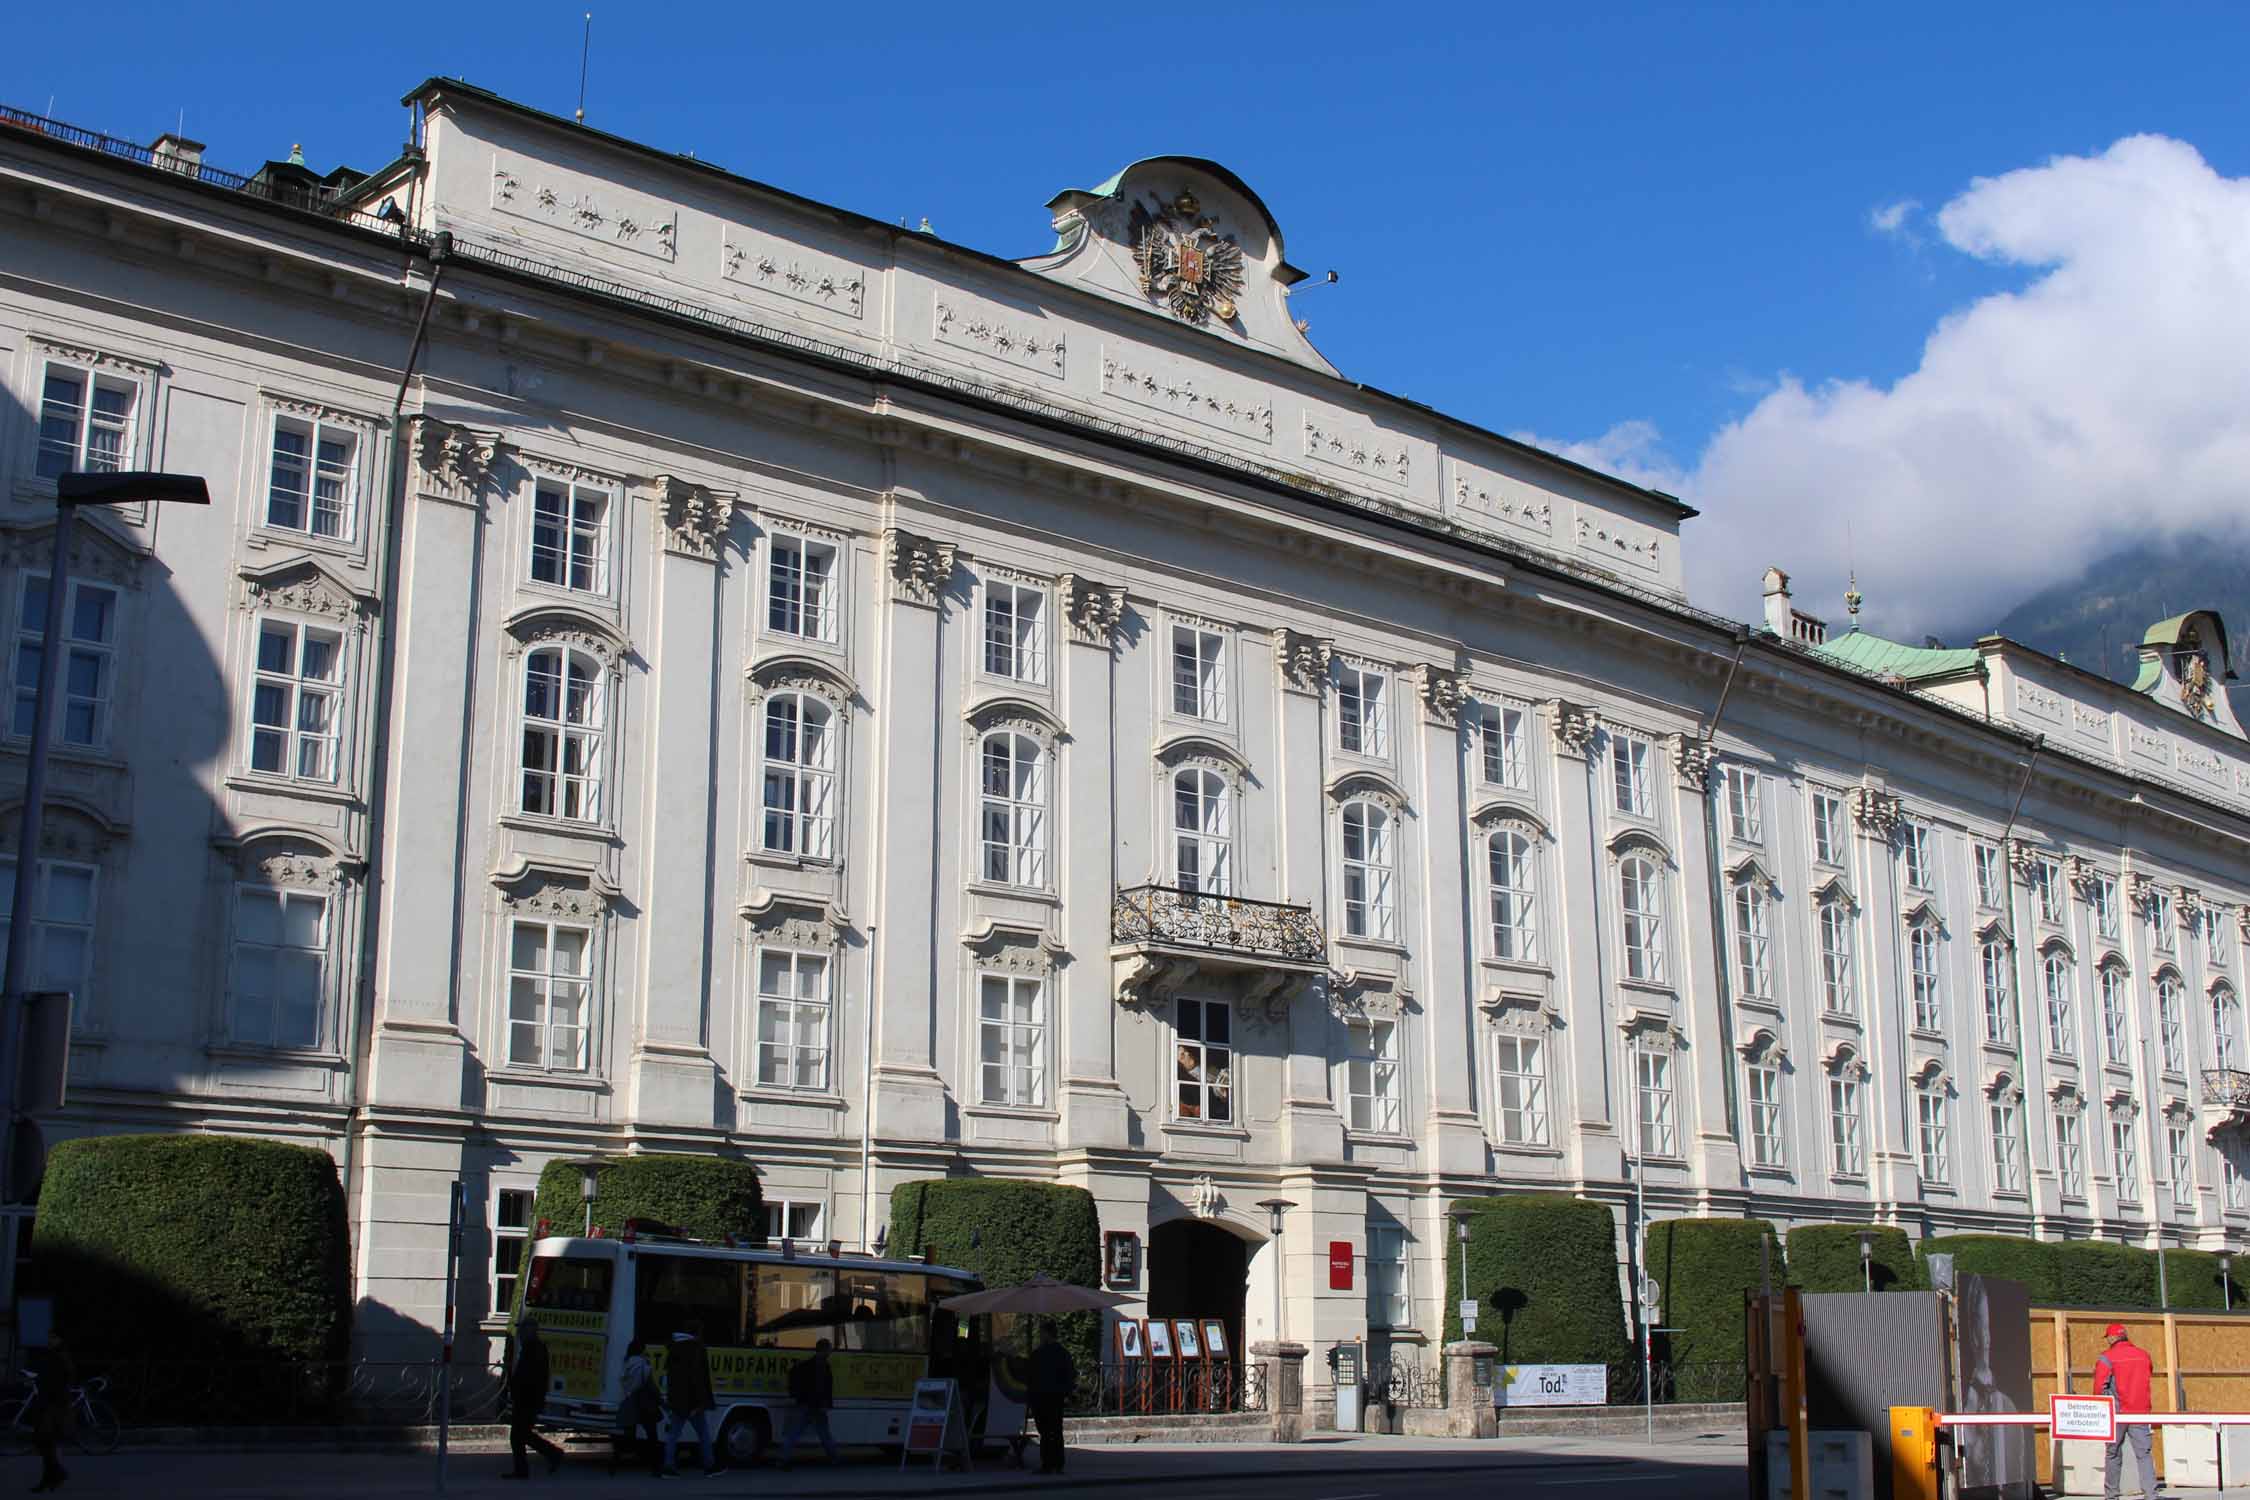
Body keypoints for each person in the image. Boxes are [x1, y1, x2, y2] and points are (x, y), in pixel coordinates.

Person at [2092, 1321, 2156, 1500]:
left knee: (2112, 1454)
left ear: (2113, 1338)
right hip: (2140, 1411)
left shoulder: (2107, 1357)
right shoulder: (2144, 1355)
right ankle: (2150, 1494)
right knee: (2144, 1454)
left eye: (2108, 1338)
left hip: (2117, 1414)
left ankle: (2111, 1495)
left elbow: (2098, 1388)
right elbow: (2148, 1374)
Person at [504, 1317, 565, 1480]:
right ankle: (550, 1455)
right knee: (521, 1435)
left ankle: (551, 1455)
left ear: (530, 1331)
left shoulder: (534, 1348)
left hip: (528, 1399)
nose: (520, 1333)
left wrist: (518, 1389)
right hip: (527, 1398)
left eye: (522, 1329)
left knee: (519, 1435)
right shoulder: (531, 1347)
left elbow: (531, 1376)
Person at [662, 1323, 722, 1478]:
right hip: (693, 1402)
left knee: (673, 1435)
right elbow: (699, 1379)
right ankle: (709, 1466)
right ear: (696, 1333)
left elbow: (669, 1378)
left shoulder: (672, 1348)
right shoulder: (697, 1349)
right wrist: (702, 1402)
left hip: (676, 1401)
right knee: (704, 1434)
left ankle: (668, 1467)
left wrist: (671, 1400)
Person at [778, 1338, 840, 1469]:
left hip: (804, 1403)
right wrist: (827, 1404)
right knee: (824, 1433)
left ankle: (784, 1459)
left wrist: (796, 1395)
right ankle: (834, 1458)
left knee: (794, 1432)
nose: (830, 1352)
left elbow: (793, 1375)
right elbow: (825, 1388)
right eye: (829, 1349)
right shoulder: (824, 1366)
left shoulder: (806, 1364)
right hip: (816, 1406)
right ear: (823, 1350)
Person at [26, 1331, 74, 1494]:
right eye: (48, 1338)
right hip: (49, 1404)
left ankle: (56, 1474)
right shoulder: (51, 1355)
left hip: (53, 1406)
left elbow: (59, 1380)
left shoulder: (60, 1356)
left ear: (59, 1339)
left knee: (44, 1441)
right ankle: (51, 1477)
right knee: (46, 1443)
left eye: (53, 1337)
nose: (49, 1340)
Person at [1027, 1321, 1076, 1476]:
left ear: (1047, 1333)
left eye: (1041, 1332)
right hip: (1056, 1397)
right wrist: (1066, 1394)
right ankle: (1058, 1463)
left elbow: (1031, 1376)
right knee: (1055, 1430)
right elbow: (1070, 1376)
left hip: (1042, 1397)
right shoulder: (1063, 1353)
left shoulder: (1039, 1354)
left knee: (1046, 1431)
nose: (1040, 1336)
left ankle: (1048, 1463)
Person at [613, 1337, 664, 1476]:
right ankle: (656, 1467)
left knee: (628, 1435)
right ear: (641, 1350)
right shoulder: (643, 1365)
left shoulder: (626, 1363)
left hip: (630, 1402)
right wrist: (661, 1402)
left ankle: (614, 1463)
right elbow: (651, 1386)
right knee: (652, 1436)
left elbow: (623, 1383)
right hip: (644, 1404)